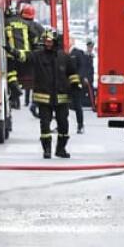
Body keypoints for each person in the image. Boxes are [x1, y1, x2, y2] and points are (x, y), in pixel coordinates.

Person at [31, 30, 80, 158]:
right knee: (45, 125)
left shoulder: (64, 57)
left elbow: (72, 73)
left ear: (55, 41)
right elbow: (24, 56)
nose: (47, 44)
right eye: (45, 41)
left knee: (63, 124)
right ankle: (46, 150)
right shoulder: (38, 56)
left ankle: (61, 149)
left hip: (61, 97)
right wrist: (12, 51)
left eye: (49, 41)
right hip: (44, 98)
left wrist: (76, 85)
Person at [20, 6, 47, 116]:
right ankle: (35, 103)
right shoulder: (39, 27)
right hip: (36, 61)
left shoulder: (16, 25)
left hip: (20, 61)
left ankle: (15, 99)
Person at [3, 7, 30, 110]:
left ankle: (16, 90)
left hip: (12, 55)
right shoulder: (24, 23)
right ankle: (15, 100)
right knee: (16, 75)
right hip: (25, 55)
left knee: (10, 74)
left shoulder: (5, 23)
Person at [67, 39, 93, 134]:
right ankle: (60, 125)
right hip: (65, 84)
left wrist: (79, 78)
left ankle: (80, 125)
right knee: (62, 106)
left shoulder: (77, 53)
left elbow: (82, 67)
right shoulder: (62, 53)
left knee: (77, 105)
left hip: (75, 84)